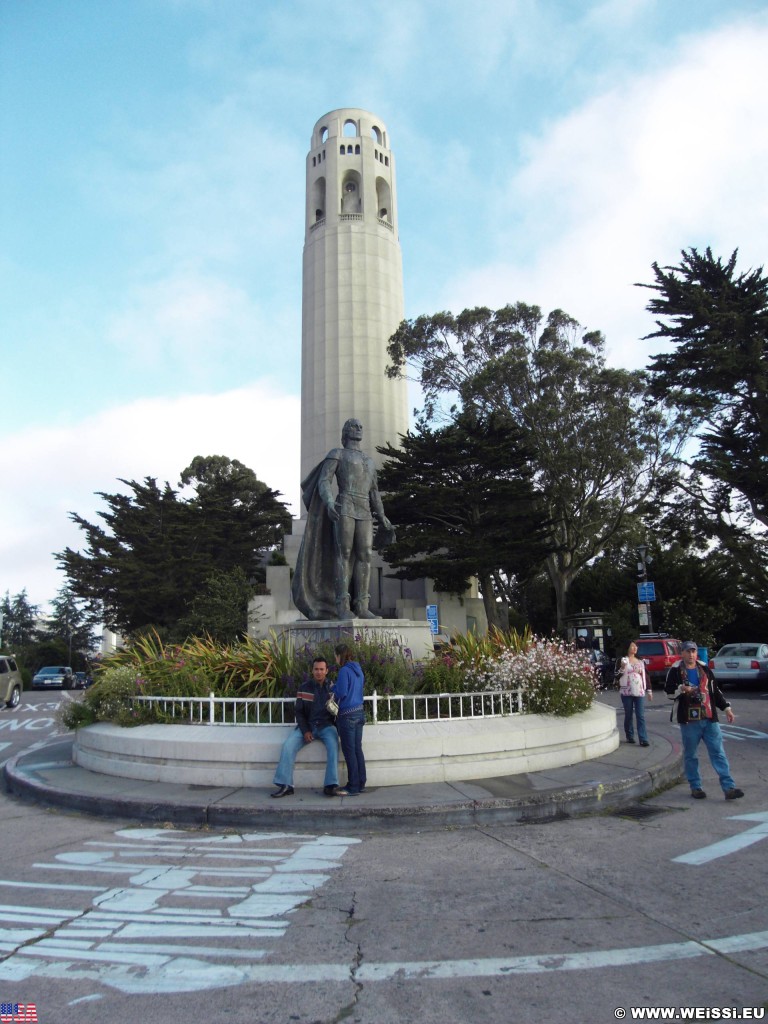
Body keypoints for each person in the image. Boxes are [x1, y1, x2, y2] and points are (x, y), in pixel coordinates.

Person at [291, 418, 395, 620]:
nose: (358, 429)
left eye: (360, 426)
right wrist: (329, 502)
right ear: (345, 432)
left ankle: (362, 606)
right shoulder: (336, 454)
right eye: (353, 426)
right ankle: (342, 605)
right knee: (344, 553)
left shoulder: (369, 461)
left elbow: (374, 492)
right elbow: (324, 481)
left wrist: (382, 516)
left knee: (365, 554)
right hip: (344, 506)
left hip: (364, 509)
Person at [665, 640, 744, 800]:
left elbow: (715, 691)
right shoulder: (675, 671)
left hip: (709, 718)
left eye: (693, 651)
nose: (691, 655)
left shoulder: (705, 669)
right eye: (688, 652)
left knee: (718, 753)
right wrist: (681, 689)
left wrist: (726, 708)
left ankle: (729, 788)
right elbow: (669, 693)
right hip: (689, 720)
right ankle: (696, 787)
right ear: (682, 653)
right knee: (691, 755)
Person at [271, 657, 340, 798]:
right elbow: (299, 712)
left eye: (322, 669)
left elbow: (338, 710)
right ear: (312, 670)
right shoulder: (304, 687)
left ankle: (330, 785)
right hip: (307, 726)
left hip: (326, 726)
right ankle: (286, 785)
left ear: (326, 671)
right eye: (316, 669)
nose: (319, 672)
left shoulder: (333, 688)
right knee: (288, 746)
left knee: (334, 746)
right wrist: (305, 730)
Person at [333, 643, 366, 795]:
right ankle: (361, 782)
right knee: (357, 749)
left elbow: (341, 692)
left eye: (336, 656)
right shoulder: (358, 669)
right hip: (359, 712)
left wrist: (332, 687)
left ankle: (352, 786)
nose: (335, 659)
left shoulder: (344, 671)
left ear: (340, 656)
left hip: (347, 715)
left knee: (349, 751)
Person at [617, 642, 652, 746]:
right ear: (627, 648)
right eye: (632, 646)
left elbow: (646, 676)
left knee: (640, 715)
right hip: (626, 691)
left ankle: (643, 738)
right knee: (628, 714)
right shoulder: (622, 660)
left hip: (639, 691)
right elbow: (616, 675)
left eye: (636, 646)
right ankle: (630, 735)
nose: (635, 648)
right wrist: (622, 668)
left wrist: (649, 690)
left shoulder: (641, 661)